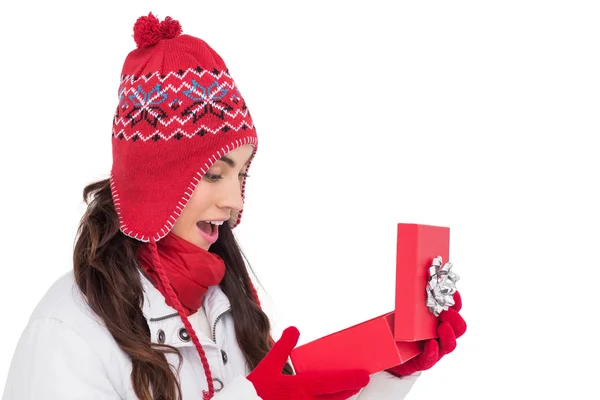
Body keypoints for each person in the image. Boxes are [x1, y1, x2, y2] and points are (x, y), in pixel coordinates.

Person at [2, 12, 466, 400]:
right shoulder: (66, 331)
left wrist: (392, 369)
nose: (235, 201)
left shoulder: (225, 303)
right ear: (157, 178)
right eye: (214, 174)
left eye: (242, 174)